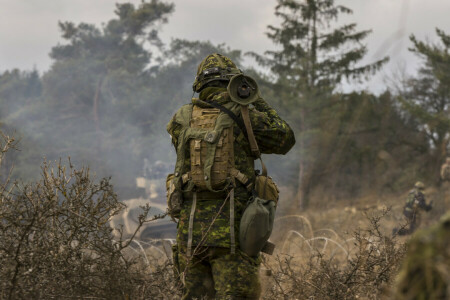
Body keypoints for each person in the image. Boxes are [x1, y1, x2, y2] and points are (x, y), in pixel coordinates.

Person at [166, 53, 295, 299]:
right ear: (233, 81)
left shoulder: (180, 119)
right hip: (234, 237)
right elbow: (285, 138)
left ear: (199, 85)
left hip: (190, 237)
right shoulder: (245, 115)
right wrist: (256, 98)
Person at [394, 210, 450, 299]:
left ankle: (399, 231)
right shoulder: (426, 238)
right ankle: (398, 231)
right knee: (412, 227)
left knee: (412, 228)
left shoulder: (424, 236)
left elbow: (403, 285)